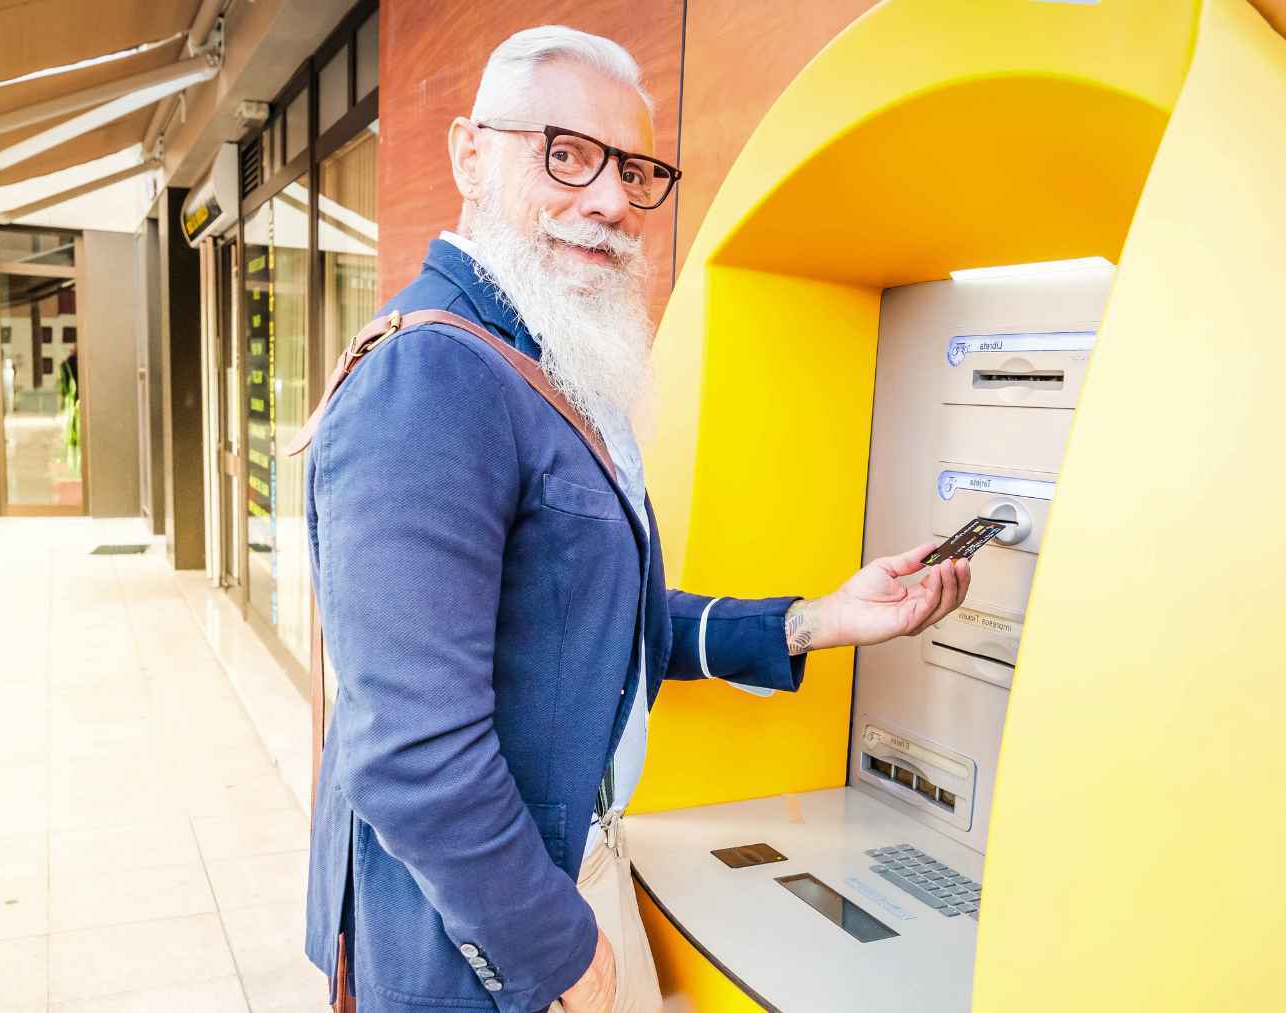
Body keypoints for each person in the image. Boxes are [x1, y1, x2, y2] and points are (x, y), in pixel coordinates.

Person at [301, 25, 972, 1013]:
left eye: (636, 169)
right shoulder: (433, 376)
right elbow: (411, 750)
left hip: (571, 874)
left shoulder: (555, 356)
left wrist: (823, 617)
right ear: (468, 154)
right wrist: (559, 955)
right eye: (566, 153)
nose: (612, 200)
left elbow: (619, 629)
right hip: (473, 935)